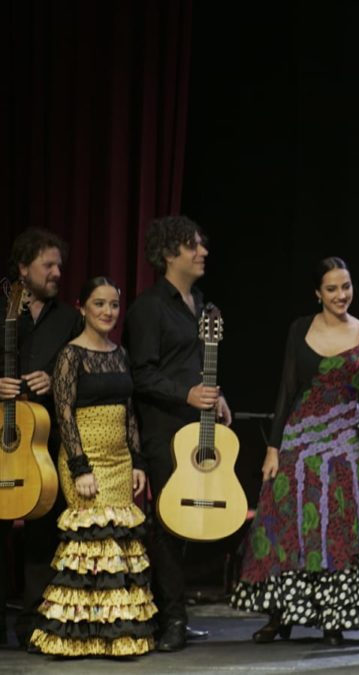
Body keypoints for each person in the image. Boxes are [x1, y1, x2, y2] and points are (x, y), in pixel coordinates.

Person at [229, 257, 359, 645]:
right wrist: (273, 448)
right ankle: (280, 615)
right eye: (332, 288)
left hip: (343, 445)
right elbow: (287, 389)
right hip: (297, 443)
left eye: (346, 286)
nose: (341, 295)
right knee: (285, 526)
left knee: (335, 531)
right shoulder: (300, 329)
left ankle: (332, 618)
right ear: (317, 293)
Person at [29, 277, 156, 655]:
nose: (108, 312)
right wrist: (81, 467)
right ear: (82, 307)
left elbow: (129, 411)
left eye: (114, 305)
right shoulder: (71, 354)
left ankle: (114, 635)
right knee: (89, 545)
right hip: (84, 458)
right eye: (99, 304)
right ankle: (77, 637)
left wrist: (137, 461)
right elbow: (64, 413)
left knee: (118, 544)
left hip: (119, 459)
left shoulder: (120, 353)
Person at [124, 215, 231, 652]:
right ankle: (171, 620)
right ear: (170, 254)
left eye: (202, 245)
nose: (202, 252)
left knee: (190, 524)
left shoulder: (201, 304)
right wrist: (186, 395)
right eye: (193, 246)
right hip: (164, 430)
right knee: (169, 525)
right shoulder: (149, 307)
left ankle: (176, 613)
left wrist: (216, 397)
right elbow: (140, 374)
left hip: (197, 429)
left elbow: (195, 368)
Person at [0, 228, 80, 649]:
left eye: (59, 265)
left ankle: (32, 624)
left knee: (41, 536)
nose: (56, 272)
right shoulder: (4, 310)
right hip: (1, 442)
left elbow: (87, 371)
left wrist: (57, 379)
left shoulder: (69, 319)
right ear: (22, 269)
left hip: (45, 445)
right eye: (47, 265)